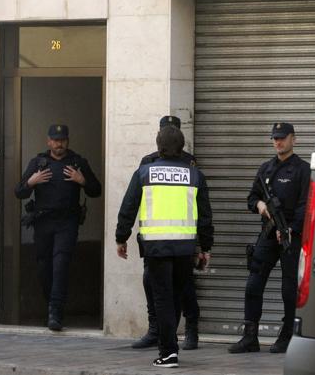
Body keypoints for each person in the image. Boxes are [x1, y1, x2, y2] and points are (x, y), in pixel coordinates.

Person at [116, 125, 213, 368]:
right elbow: (205, 217)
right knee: (175, 299)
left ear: (159, 146)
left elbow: (128, 208)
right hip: (184, 248)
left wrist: (121, 238)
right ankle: (170, 347)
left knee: (162, 300)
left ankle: (168, 351)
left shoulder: (144, 173)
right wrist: (205, 247)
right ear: (182, 147)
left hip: (156, 248)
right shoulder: (194, 175)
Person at [228, 122, 310, 354]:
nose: (278, 142)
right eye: (275, 138)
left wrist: (290, 228)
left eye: (282, 138)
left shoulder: (303, 170)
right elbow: (251, 197)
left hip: (290, 236)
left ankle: (287, 336)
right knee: (254, 283)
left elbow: (305, 204)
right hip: (267, 233)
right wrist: (260, 205)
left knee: (289, 288)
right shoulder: (265, 169)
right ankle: (250, 337)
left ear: (294, 139)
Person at [15, 124, 102, 331]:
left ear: (68, 141)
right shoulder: (38, 163)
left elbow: (96, 190)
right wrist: (31, 182)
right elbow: (19, 192)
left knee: (61, 264)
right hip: (43, 222)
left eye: (62, 139)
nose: (59, 143)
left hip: (67, 222)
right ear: (48, 141)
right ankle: (51, 306)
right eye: (55, 140)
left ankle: (55, 312)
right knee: (45, 268)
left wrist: (82, 181)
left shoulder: (77, 163)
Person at [132, 115, 201, 351]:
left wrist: (201, 244)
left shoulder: (190, 164)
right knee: (150, 283)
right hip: (154, 239)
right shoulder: (147, 163)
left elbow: (197, 205)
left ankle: (190, 328)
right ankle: (156, 331)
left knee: (184, 287)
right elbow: (138, 197)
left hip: (182, 238)